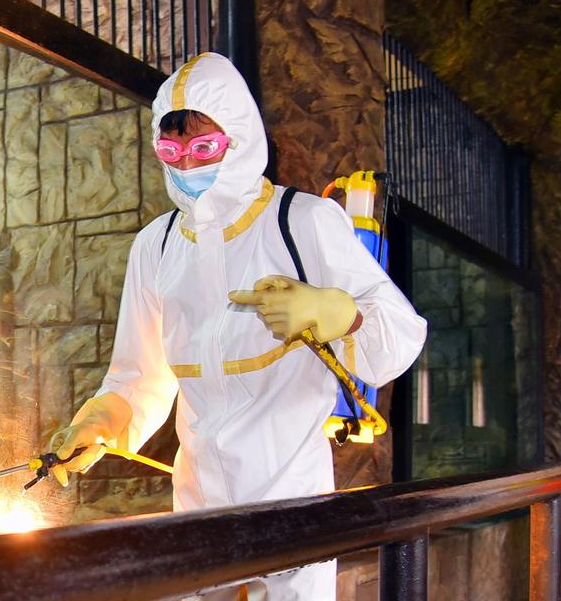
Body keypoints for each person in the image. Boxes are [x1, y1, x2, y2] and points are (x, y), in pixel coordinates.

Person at [50, 52, 428, 599]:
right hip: (197, 504)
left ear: (241, 136)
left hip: (294, 504)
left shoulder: (303, 221)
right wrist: (103, 419)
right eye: (172, 151)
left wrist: (338, 313)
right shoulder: (156, 245)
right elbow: (139, 375)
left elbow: (401, 335)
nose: (187, 164)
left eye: (204, 148)